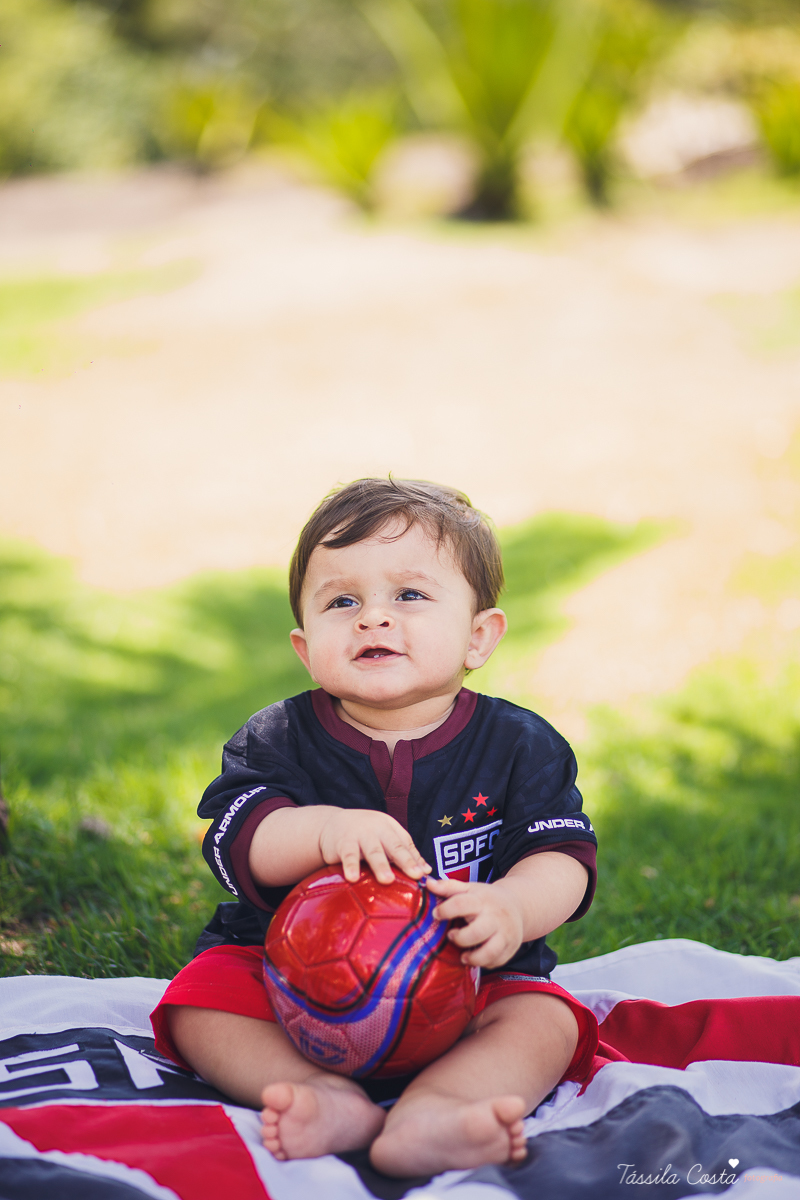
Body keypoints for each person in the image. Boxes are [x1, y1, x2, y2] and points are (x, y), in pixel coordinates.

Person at [150, 478, 600, 1178]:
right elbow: (241, 842)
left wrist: (513, 906)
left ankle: (438, 1112)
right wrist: (321, 830)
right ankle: (322, 1096)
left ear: (479, 636)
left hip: (473, 983)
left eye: (410, 596)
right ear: (305, 646)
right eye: (342, 602)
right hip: (288, 982)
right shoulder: (276, 737)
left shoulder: (520, 743)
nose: (373, 619)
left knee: (548, 1021)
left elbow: (562, 856)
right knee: (196, 1001)